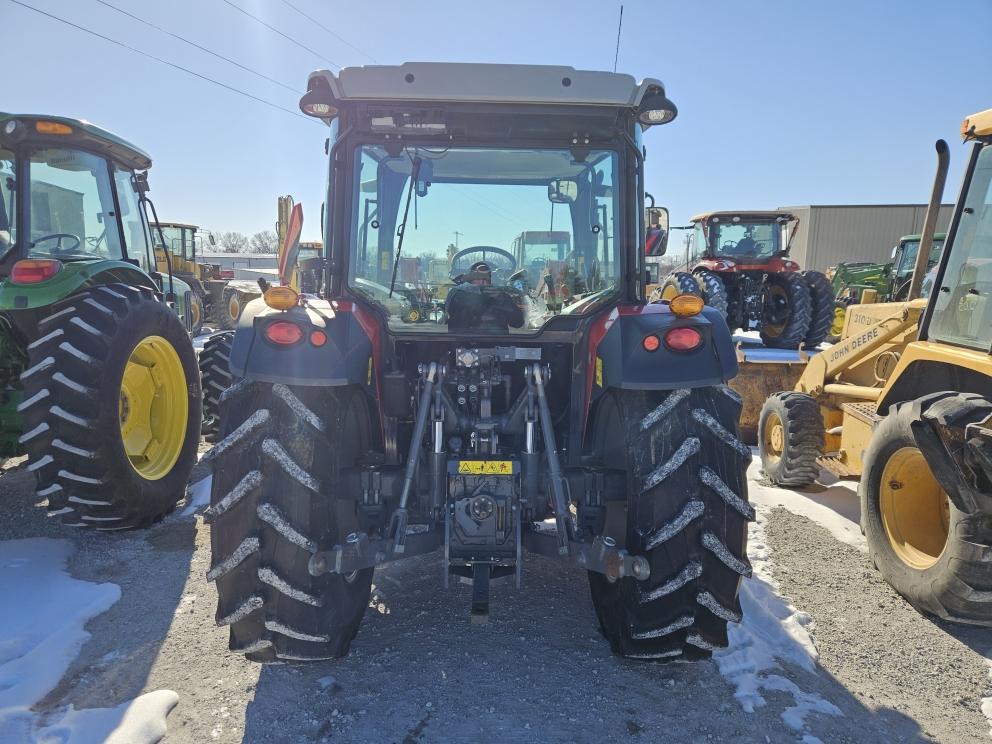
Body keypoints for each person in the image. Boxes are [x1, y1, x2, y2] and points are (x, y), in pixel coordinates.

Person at [445, 260, 525, 331]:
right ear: (469, 281)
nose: (482, 283)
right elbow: (455, 324)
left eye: (485, 280)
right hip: (466, 344)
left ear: (491, 281)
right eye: (478, 279)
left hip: (497, 344)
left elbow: (518, 323)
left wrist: (502, 299)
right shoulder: (458, 296)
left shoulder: (501, 297)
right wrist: (479, 318)